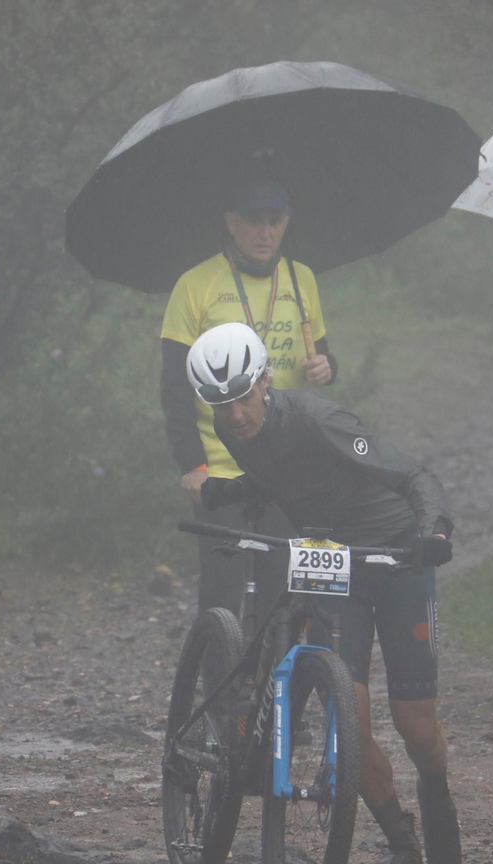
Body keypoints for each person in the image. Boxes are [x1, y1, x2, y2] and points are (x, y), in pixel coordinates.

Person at [189, 322, 458, 864]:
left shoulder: (316, 419)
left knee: (415, 725)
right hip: (336, 565)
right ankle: (402, 845)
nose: (233, 414)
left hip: (397, 558)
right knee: (348, 718)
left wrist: (434, 529)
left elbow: (413, 473)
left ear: (263, 381)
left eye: (240, 396)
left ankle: (435, 785)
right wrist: (229, 491)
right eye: (218, 402)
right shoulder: (234, 427)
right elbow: (284, 477)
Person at [160, 176, 337, 617]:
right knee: (223, 591)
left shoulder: (302, 279)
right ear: (231, 223)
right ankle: (224, 685)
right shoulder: (195, 284)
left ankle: (272, 684)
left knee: (283, 588)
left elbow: (323, 357)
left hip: (289, 460)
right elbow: (173, 384)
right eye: (254, 222)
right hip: (221, 467)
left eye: (274, 221)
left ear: (286, 223)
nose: (265, 233)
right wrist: (192, 465)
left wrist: (327, 367)